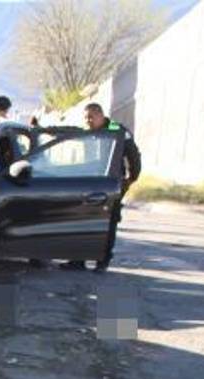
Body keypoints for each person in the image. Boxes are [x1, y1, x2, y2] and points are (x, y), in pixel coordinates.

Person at [60, 102, 142, 272]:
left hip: (109, 185)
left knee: (108, 223)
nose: (88, 121)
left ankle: (102, 261)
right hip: (90, 183)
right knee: (82, 222)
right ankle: (78, 260)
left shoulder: (117, 130)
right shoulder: (89, 132)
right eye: (86, 118)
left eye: (90, 117)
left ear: (100, 115)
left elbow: (134, 156)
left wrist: (131, 179)